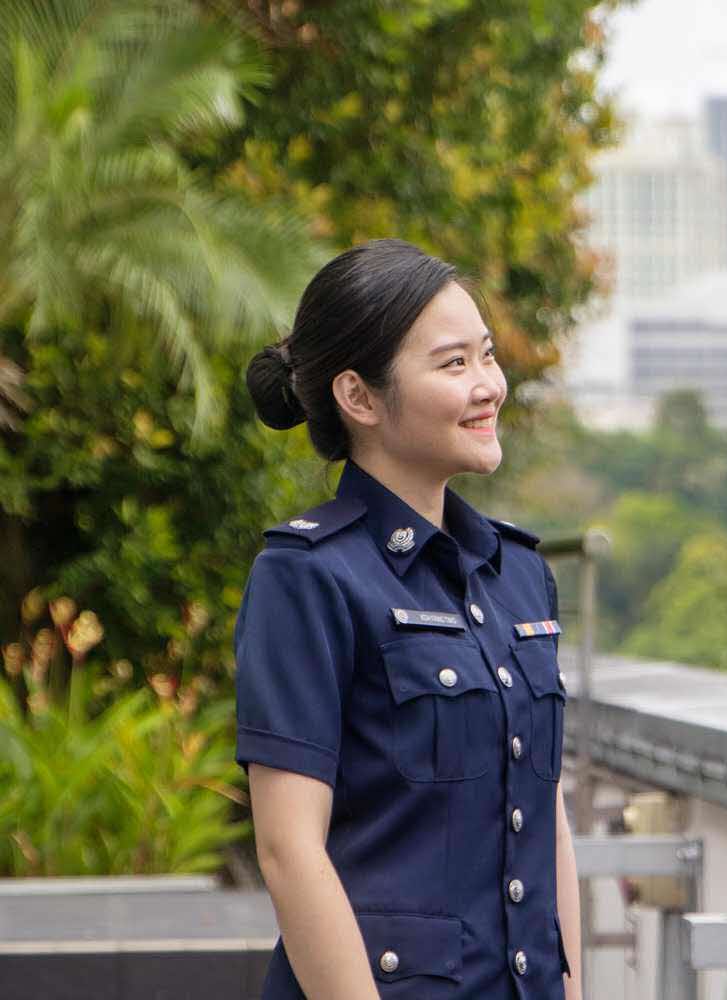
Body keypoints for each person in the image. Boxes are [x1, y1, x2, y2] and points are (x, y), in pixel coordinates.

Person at [238, 239, 582, 1000]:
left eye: (487, 356)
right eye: (453, 364)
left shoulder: (520, 576)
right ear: (359, 397)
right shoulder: (307, 577)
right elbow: (289, 849)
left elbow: (547, 823)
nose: (489, 385)